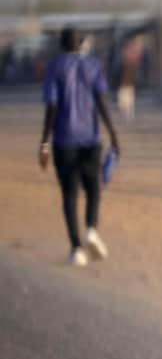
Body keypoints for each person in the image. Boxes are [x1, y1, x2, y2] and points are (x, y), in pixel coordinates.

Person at [39, 26, 121, 266]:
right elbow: (100, 101)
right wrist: (113, 132)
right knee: (94, 187)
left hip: (64, 141)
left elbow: (51, 107)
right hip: (91, 139)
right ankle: (92, 229)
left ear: (61, 45)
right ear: (81, 42)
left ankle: (76, 248)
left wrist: (44, 143)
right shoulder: (93, 65)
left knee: (69, 194)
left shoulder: (55, 68)